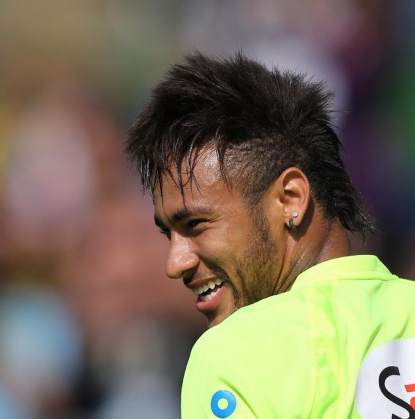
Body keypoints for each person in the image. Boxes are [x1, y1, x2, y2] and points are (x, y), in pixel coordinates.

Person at [125, 52, 415, 418]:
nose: (175, 262)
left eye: (196, 225)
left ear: (290, 199)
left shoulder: (232, 354)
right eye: (169, 234)